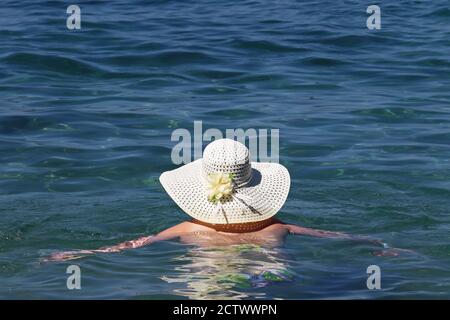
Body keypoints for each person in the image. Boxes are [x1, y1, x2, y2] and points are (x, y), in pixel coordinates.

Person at [46, 138, 402, 262]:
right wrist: (378, 242)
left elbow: (132, 245)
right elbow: (333, 235)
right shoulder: (278, 227)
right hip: (273, 278)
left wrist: (81, 254)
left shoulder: (187, 227)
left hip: (204, 286)